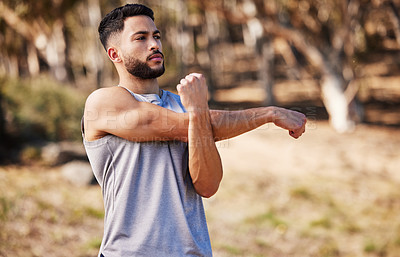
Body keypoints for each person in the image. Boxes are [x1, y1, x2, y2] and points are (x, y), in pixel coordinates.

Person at [82, 3, 306, 257]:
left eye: (156, 36)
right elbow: (176, 125)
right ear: (115, 54)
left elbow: (208, 186)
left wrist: (198, 112)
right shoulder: (103, 103)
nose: (154, 44)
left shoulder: (184, 106)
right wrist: (269, 114)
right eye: (140, 38)